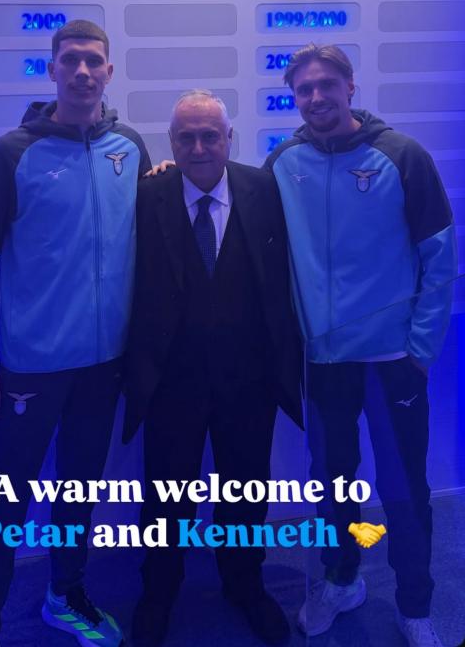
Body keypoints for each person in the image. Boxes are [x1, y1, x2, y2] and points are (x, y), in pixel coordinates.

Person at [0, 19, 151, 647]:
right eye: (70, 60)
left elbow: (150, 232)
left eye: (94, 61)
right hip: (32, 367)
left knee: (79, 489)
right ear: (52, 70)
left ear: (109, 72)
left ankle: (64, 596)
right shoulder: (12, 153)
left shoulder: (130, 148)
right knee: (6, 499)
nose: (83, 72)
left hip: (103, 365)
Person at [263, 43, 457, 647]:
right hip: (324, 363)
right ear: (294, 98)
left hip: (392, 362)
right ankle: (341, 579)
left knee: (403, 489)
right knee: (331, 484)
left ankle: (415, 605)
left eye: (327, 84)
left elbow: (440, 257)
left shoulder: (402, 155)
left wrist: (420, 348)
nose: (316, 97)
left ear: (350, 86)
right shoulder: (283, 163)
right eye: (304, 89)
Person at [123, 90, 303, 647]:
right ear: (170, 143)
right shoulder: (145, 194)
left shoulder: (265, 189)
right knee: (165, 495)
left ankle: (245, 585)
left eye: (210, 136)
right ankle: (158, 592)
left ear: (230, 139)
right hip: (170, 381)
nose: (198, 147)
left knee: (246, 492)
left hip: (249, 380)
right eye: (186, 137)